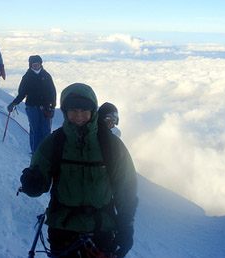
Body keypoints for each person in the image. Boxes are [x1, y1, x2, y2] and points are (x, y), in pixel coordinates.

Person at [19, 83, 138, 258]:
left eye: (84, 111)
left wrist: (126, 226)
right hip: (63, 229)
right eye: (73, 111)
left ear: (93, 112)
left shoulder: (111, 146)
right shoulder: (54, 143)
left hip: (101, 228)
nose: (79, 116)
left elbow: (125, 189)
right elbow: (39, 186)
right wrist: (31, 184)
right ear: (65, 111)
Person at [7, 55, 56, 153]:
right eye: (34, 64)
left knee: (46, 130)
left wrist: (53, 106)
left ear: (41, 64)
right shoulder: (27, 77)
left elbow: (52, 92)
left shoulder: (46, 76)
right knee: (35, 130)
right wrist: (14, 103)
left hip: (46, 107)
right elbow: (22, 93)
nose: (36, 66)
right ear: (31, 65)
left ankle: (46, 152)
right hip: (32, 107)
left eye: (38, 64)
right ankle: (36, 152)